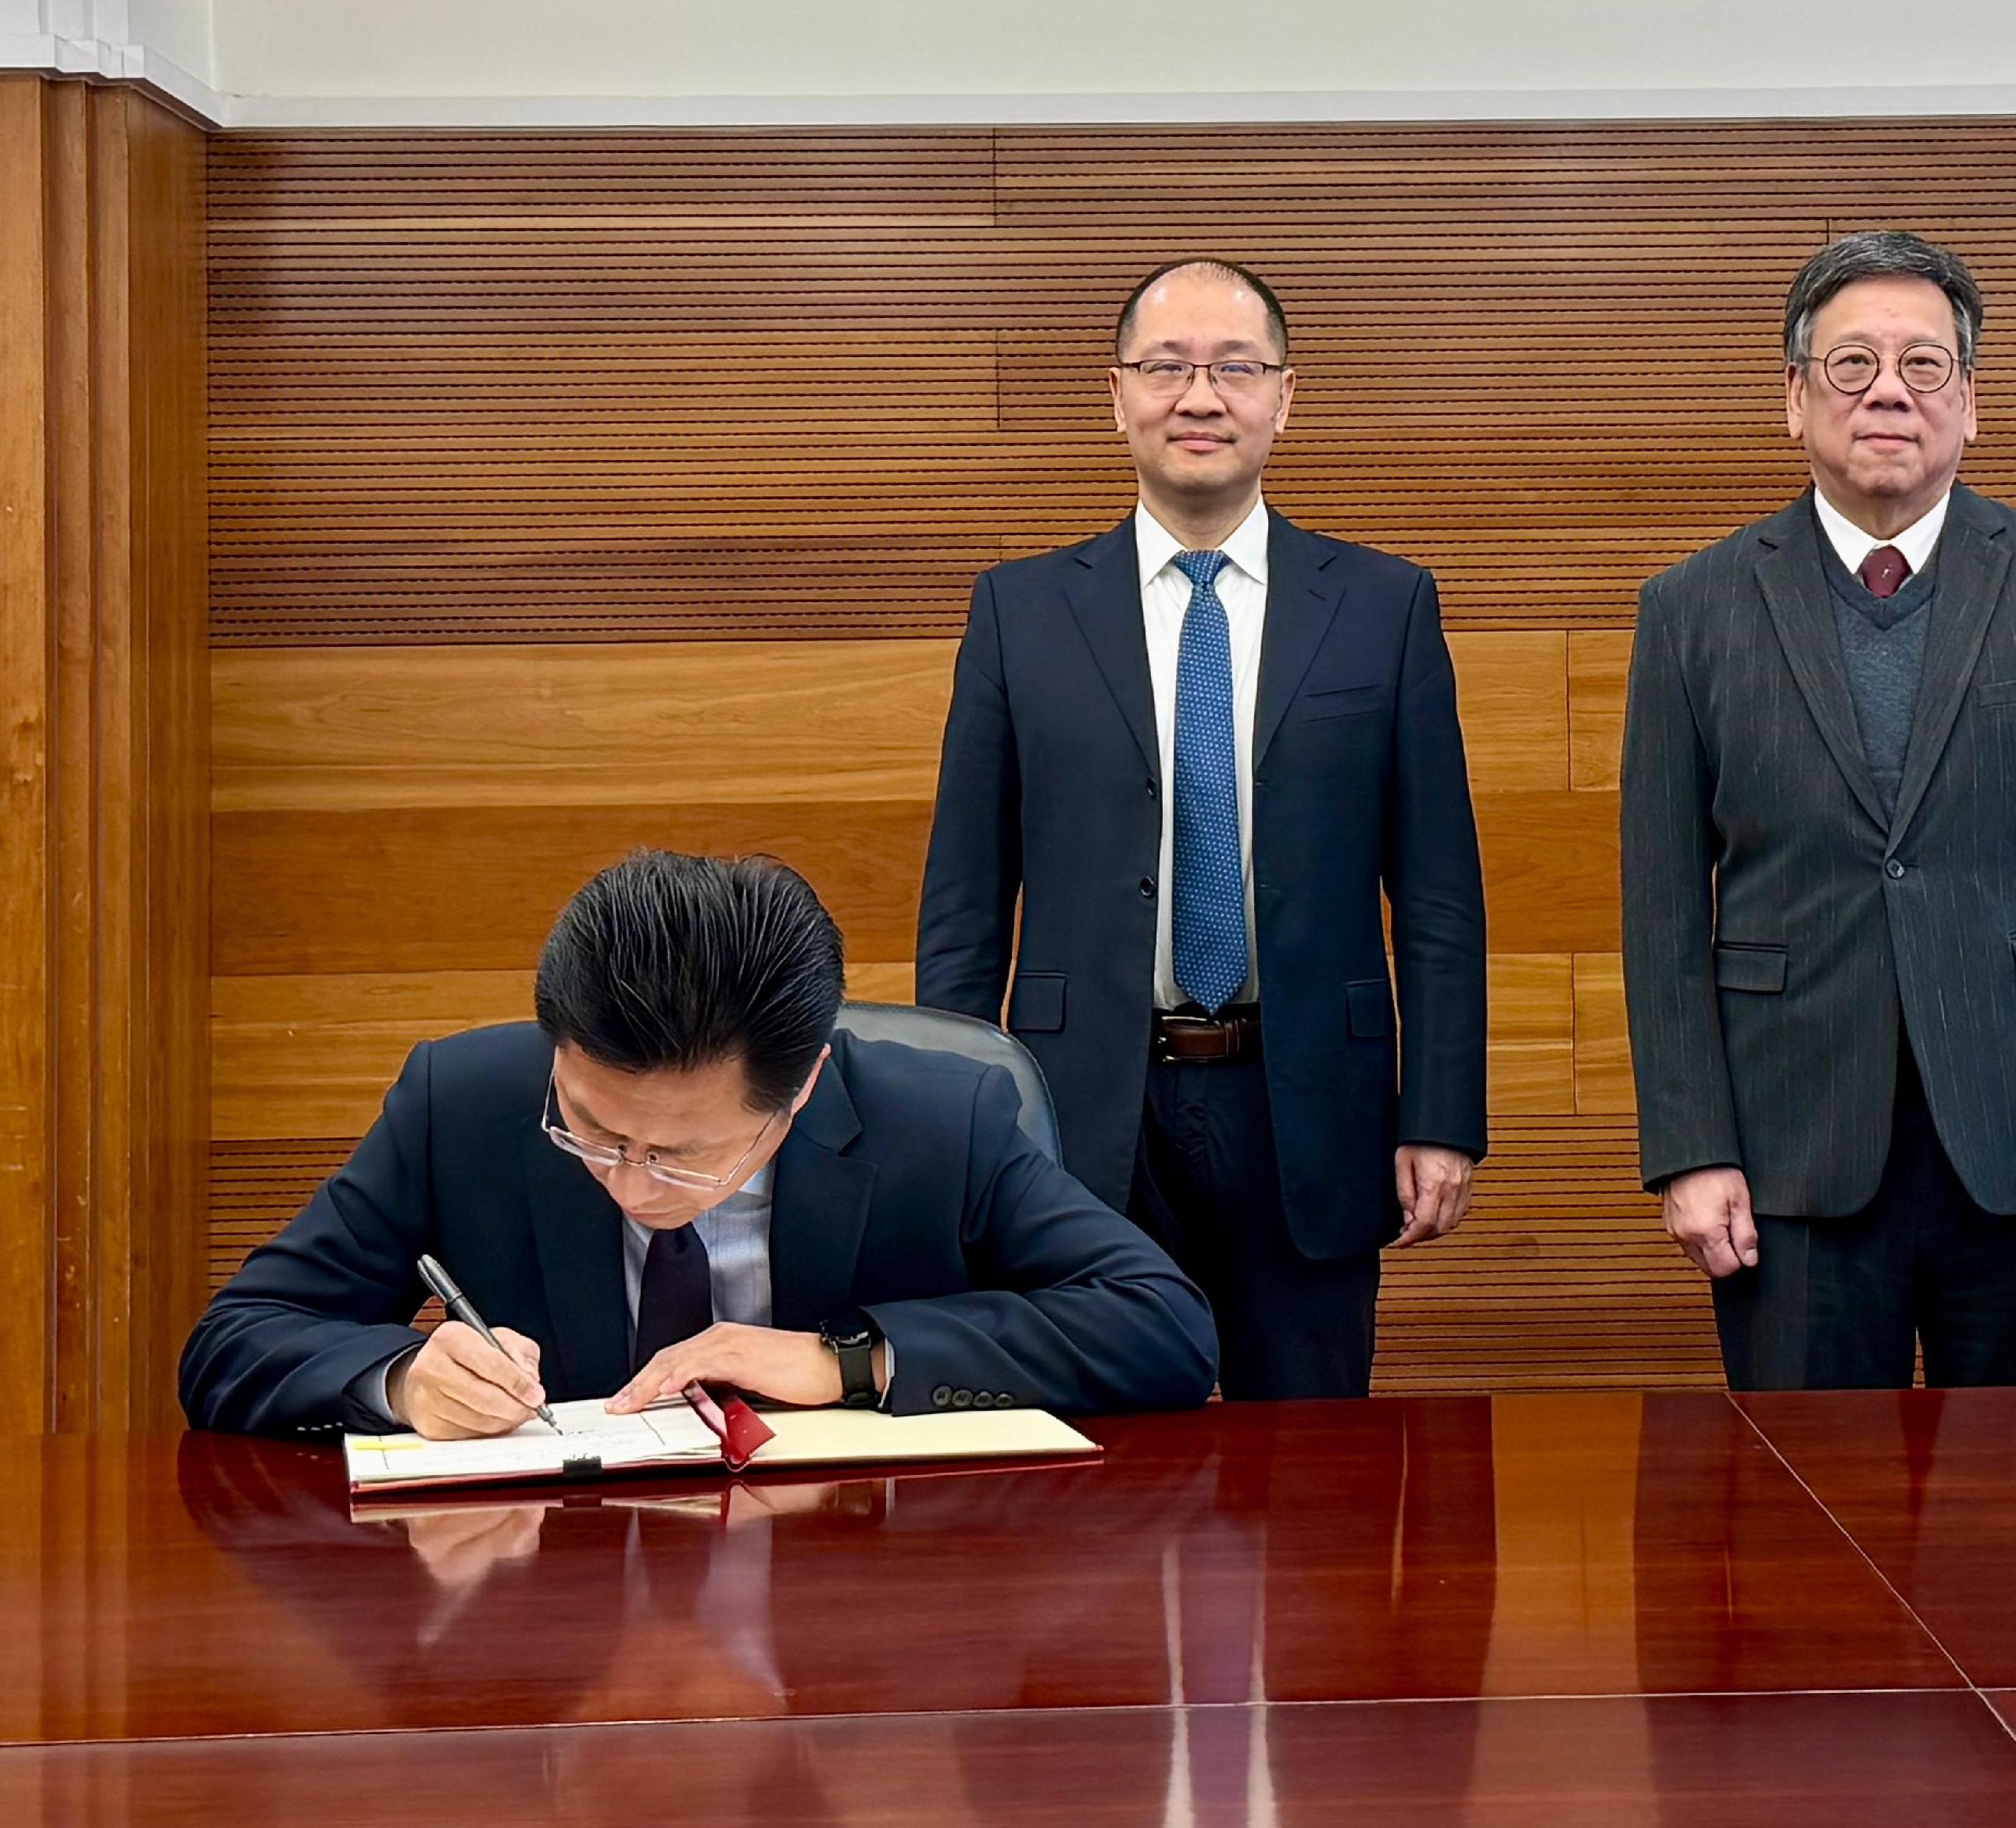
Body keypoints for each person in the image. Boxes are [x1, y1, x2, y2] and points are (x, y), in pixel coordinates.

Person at [1621, 229, 2016, 1389]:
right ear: (1795, 399)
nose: (1888, 390)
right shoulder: (1692, 607)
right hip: (1790, 1155)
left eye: (1923, 364)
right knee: (1810, 1494)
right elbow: (1662, 909)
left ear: (1968, 402)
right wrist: (1691, 1149)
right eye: (1852, 363)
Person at [917, 259, 1487, 1400]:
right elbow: (967, 902)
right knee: (1102, 1466)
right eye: (1166, 367)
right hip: (1082, 1107)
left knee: (1313, 1469)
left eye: (1236, 368)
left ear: (1285, 396)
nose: (1200, 397)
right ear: (1116, 393)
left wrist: (1441, 1117)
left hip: (1308, 1104)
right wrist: (954, 1122)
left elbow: (1437, 898)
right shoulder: (1020, 612)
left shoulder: (1384, 607)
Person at [181, 851, 1217, 1437]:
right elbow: (236, 1339)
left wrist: (847, 1360)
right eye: (591, 1131)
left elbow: (1162, 1328)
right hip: (552, 1601)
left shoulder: (942, 1119)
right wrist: (405, 1377)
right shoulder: (462, 1103)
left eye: (684, 1155)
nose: (632, 1185)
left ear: (802, 1086)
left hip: (850, 1614)